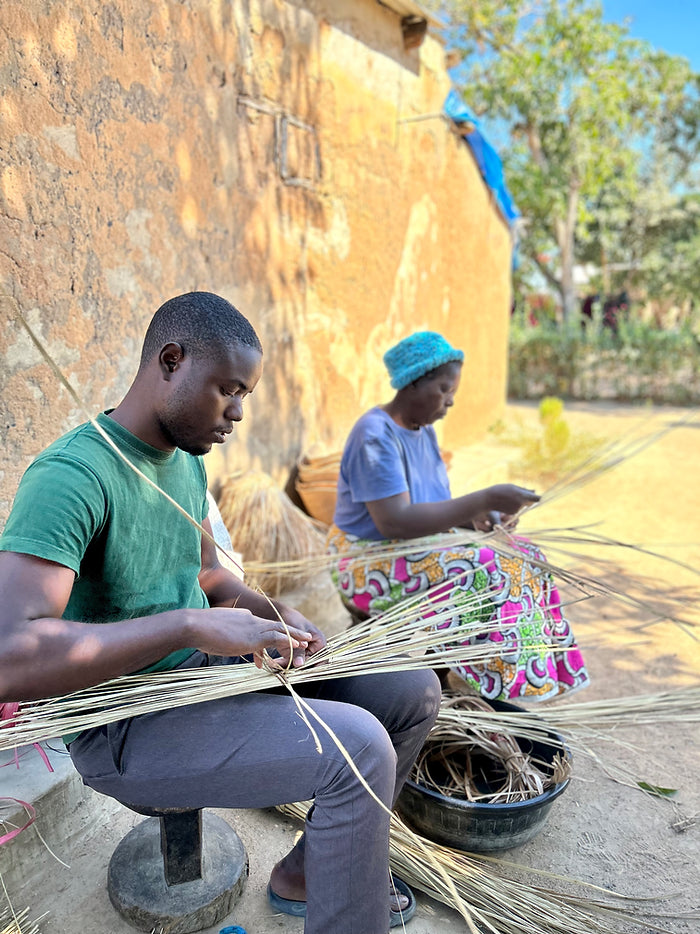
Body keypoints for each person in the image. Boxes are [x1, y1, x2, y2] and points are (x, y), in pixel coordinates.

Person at [0, 292, 441, 934]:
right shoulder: (72, 478)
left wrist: (270, 611)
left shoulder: (182, 463)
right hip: (123, 725)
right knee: (360, 748)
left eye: (246, 396)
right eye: (228, 390)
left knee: (411, 693)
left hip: (202, 676)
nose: (237, 414)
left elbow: (207, 574)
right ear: (171, 361)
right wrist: (188, 625)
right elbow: (11, 655)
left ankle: (310, 872)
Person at [327, 331, 590, 702]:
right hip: (366, 560)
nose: (450, 402)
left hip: (413, 549)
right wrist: (482, 497)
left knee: (527, 556)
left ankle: (512, 685)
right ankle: (481, 683)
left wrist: (482, 517)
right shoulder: (375, 434)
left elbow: (434, 505)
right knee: (486, 568)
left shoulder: (424, 433)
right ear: (413, 383)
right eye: (444, 389)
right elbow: (394, 522)